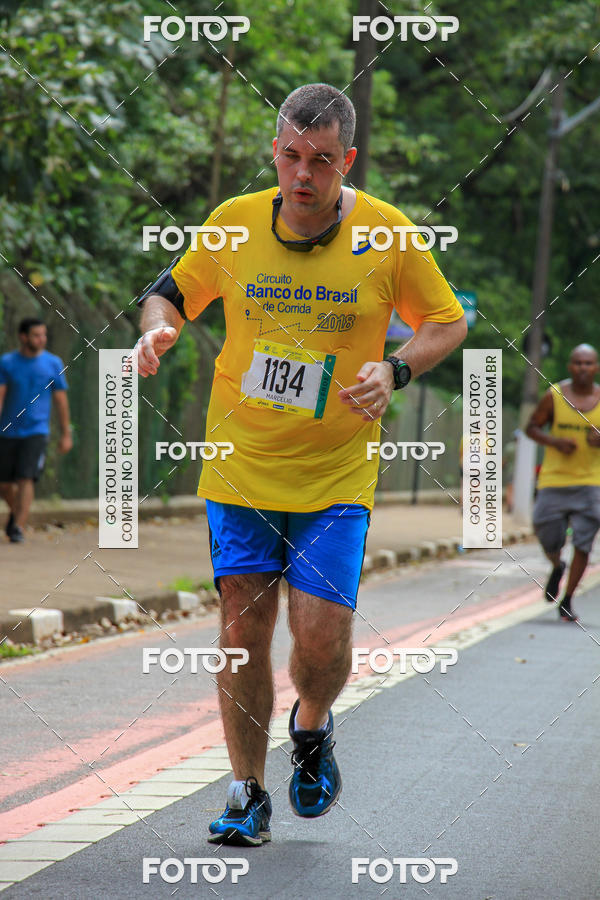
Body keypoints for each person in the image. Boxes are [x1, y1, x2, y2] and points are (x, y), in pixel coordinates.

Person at [135, 83, 467, 846]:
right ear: (275, 152)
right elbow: (167, 294)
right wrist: (157, 333)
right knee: (241, 630)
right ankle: (247, 790)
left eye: (321, 160)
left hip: (335, 474)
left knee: (320, 639)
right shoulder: (233, 224)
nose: (303, 175)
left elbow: (446, 322)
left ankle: (311, 727)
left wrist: (398, 368)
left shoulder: (388, 235)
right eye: (290, 156)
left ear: (346, 159)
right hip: (241, 465)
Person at [526, 344, 600, 622]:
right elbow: (531, 427)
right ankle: (557, 565)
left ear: (596, 368)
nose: (583, 368)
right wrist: (555, 441)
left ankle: (567, 600)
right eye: (578, 363)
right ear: (570, 367)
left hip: (592, 482)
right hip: (554, 480)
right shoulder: (554, 396)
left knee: (583, 542)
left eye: (588, 363)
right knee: (546, 532)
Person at [0, 318, 72, 543]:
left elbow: (61, 401)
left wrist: (66, 433)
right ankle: (17, 513)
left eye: (44, 335)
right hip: (7, 431)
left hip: (37, 430)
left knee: (26, 478)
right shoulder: (7, 363)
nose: (42, 340)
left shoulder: (53, 363)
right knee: (3, 483)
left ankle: (18, 527)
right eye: (36, 335)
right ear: (23, 337)